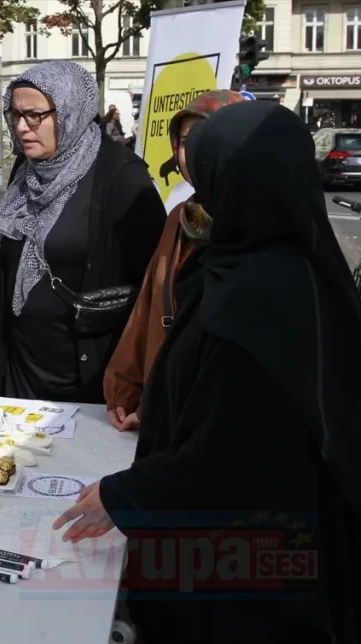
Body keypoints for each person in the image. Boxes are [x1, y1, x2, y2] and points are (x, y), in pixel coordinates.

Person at [52, 101, 361, 644]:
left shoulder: (264, 297)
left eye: (209, 169)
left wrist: (124, 495)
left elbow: (234, 450)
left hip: (245, 569)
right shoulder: (288, 265)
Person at [0, 61, 166, 404]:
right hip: (22, 362)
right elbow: (12, 242)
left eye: (35, 115)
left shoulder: (121, 177)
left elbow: (151, 282)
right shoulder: (26, 169)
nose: (22, 127)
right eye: (15, 115)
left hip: (87, 366)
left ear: (69, 111)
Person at [103, 90, 246, 431]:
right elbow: (149, 309)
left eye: (208, 139)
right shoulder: (182, 220)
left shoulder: (257, 226)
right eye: (185, 141)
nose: (193, 152)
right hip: (165, 415)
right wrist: (127, 390)